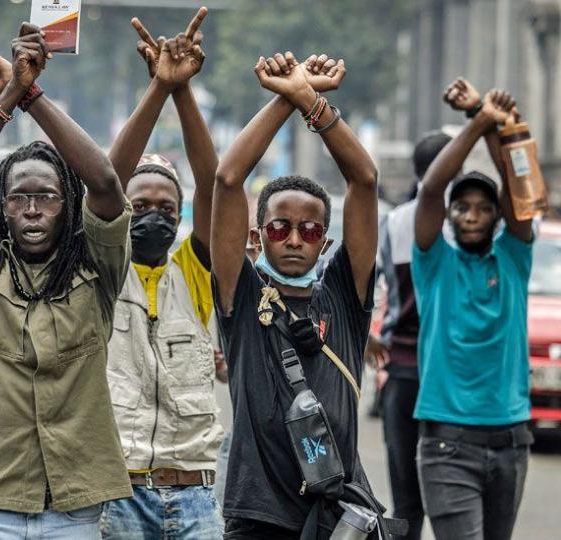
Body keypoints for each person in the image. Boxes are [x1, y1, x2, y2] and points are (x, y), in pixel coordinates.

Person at [0, 24, 132, 539]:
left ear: (67, 206)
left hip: (74, 511)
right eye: (18, 197)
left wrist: (33, 97)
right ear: (0, 207)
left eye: (46, 196)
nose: (31, 209)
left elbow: (108, 184)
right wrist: (6, 99)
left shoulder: (98, 266)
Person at [210, 52, 382, 539]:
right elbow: (227, 179)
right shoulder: (241, 297)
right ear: (256, 236)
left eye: (308, 231)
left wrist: (311, 102)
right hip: (257, 517)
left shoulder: (345, 298)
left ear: (325, 243)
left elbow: (364, 180)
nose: (292, 239)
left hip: (338, 515)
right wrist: (285, 100)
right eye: (279, 226)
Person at [93, 8, 224, 539]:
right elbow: (106, 180)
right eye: (140, 204)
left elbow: (214, 185)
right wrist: (157, 91)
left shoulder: (194, 273)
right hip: (117, 494)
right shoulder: (99, 272)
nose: (154, 215)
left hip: (194, 495)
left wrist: (182, 92)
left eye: (167, 208)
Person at [412, 80, 534, 540]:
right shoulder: (434, 263)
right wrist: (479, 122)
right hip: (447, 443)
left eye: (484, 208)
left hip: (511, 442)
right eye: (461, 207)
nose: (471, 215)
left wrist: (492, 125)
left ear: (498, 217)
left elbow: (522, 192)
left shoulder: (514, 259)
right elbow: (430, 191)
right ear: (450, 215)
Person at [369, 129, 451, 540]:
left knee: (406, 497)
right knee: (451, 495)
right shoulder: (461, 224)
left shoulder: (394, 221)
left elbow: (370, 282)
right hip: (447, 373)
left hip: (401, 368)